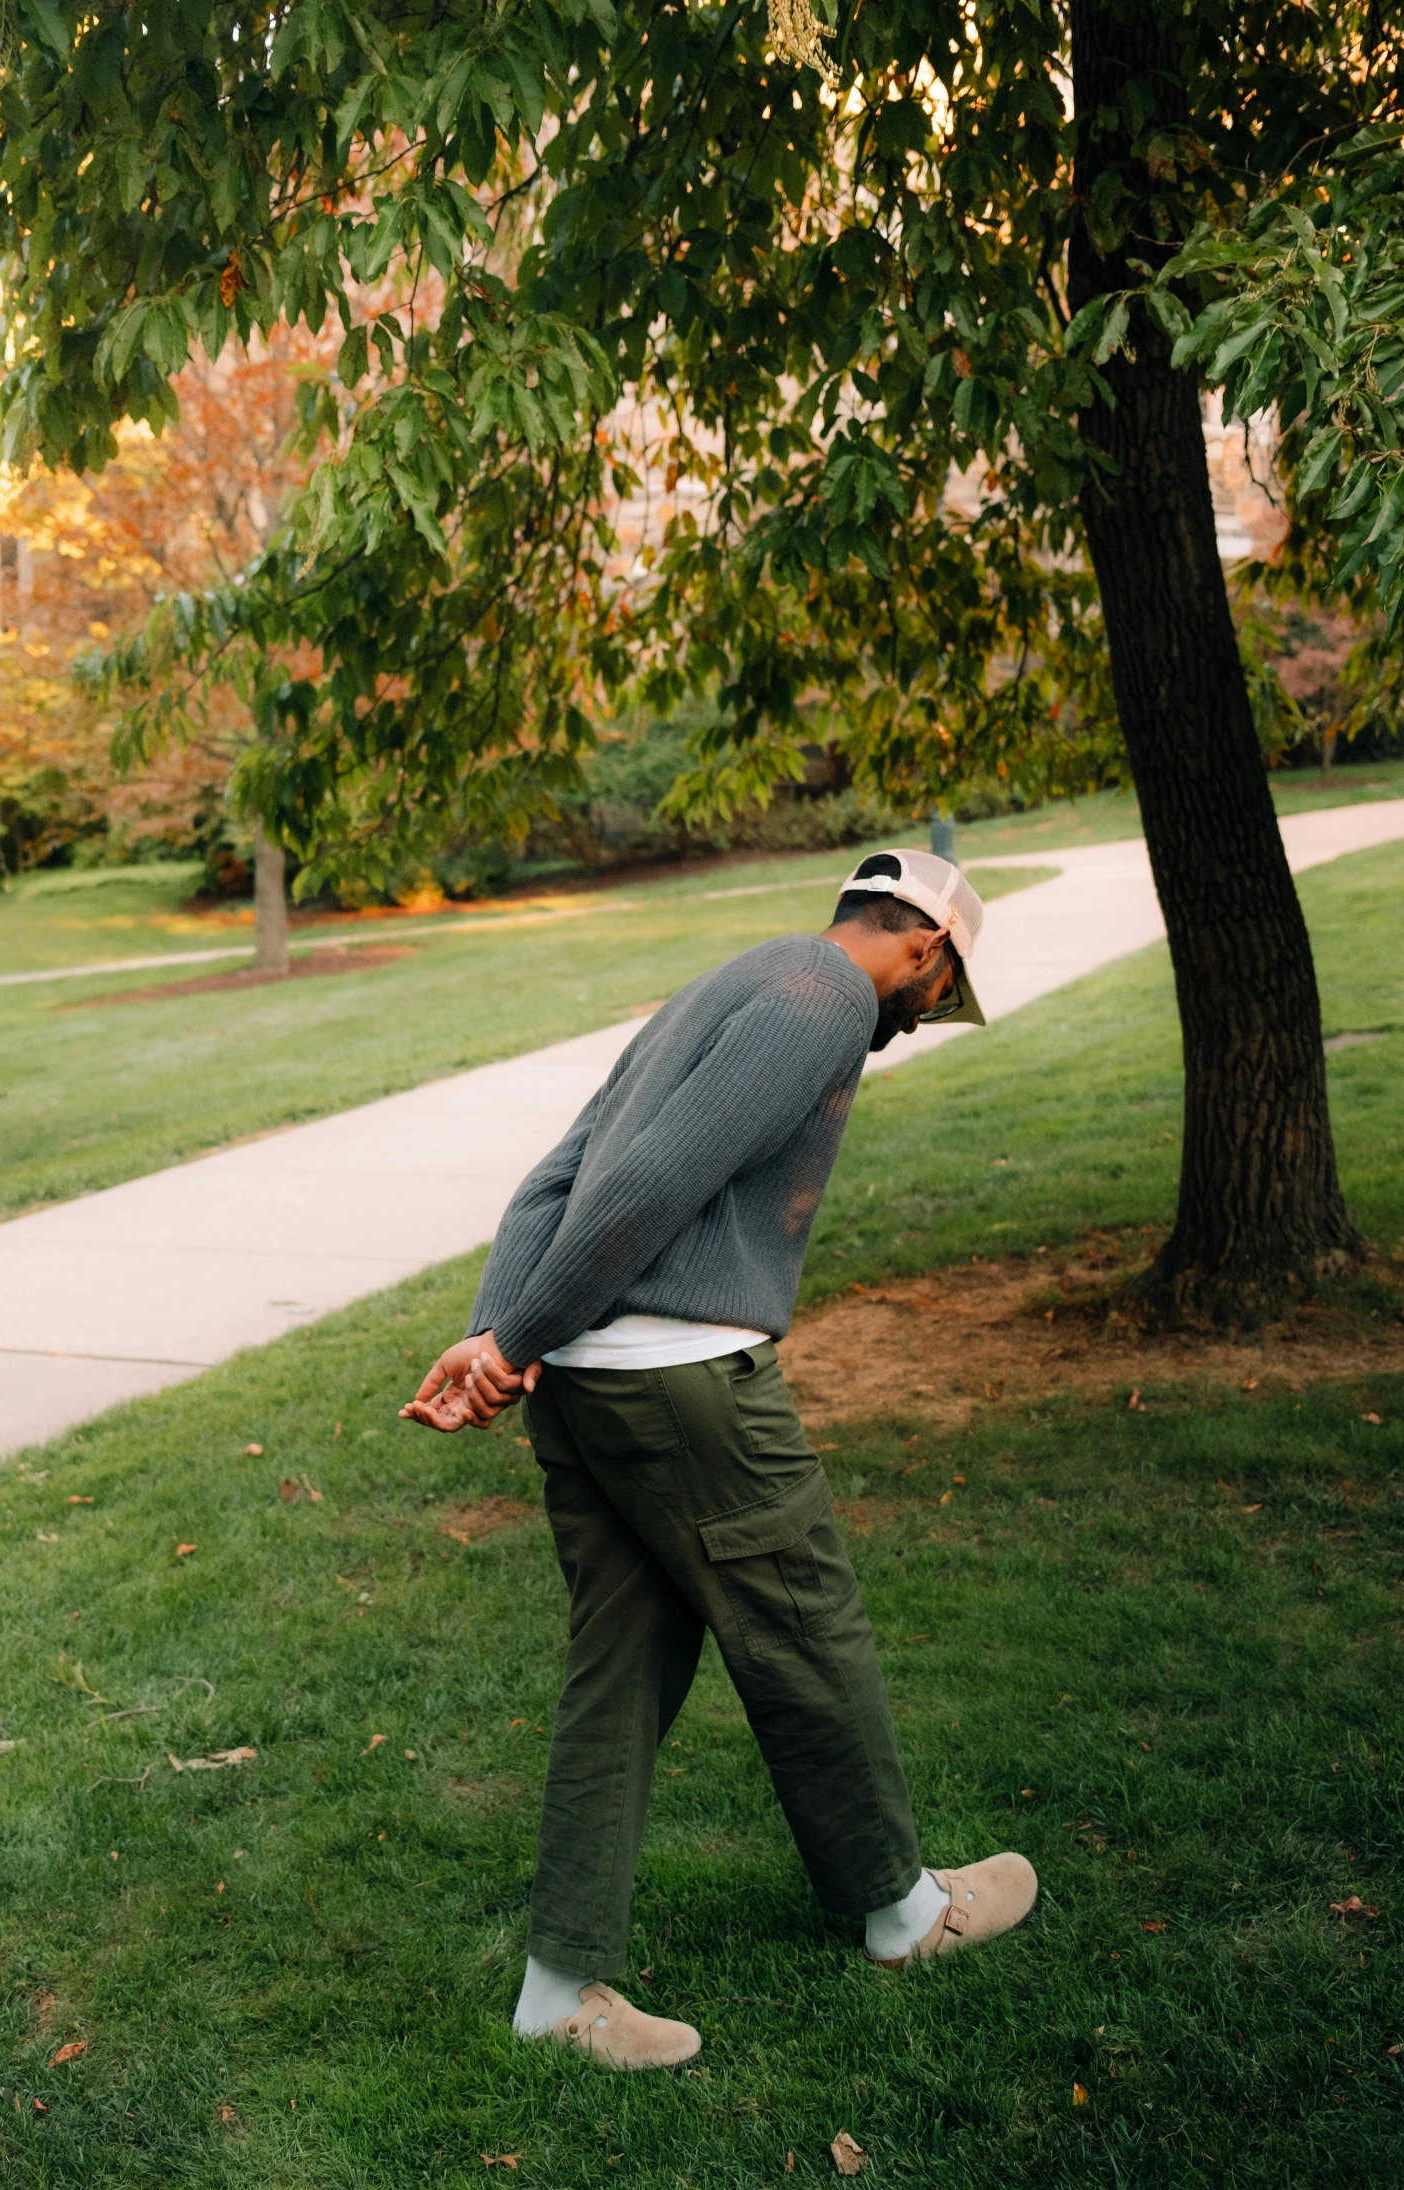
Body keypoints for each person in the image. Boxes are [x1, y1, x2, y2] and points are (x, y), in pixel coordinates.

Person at [400, 850, 1038, 2069]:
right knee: (805, 1625)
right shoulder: (825, 998)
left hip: (587, 1389)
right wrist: (510, 1339)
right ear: (922, 949)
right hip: (678, 1387)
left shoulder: (729, 981)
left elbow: (555, 1179)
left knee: (623, 1660)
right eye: (933, 990)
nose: (915, 1016)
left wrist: (503, 1336)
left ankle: (556, 1991)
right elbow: (641, 1183)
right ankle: (906, 1914)